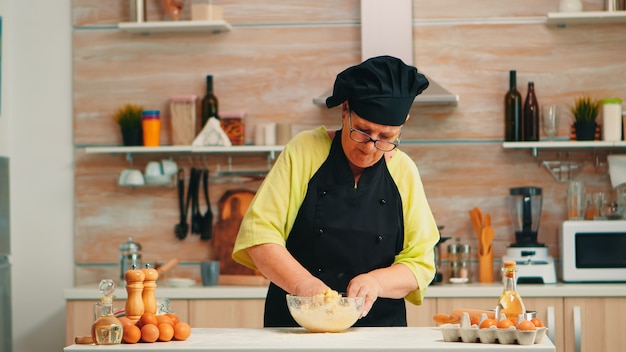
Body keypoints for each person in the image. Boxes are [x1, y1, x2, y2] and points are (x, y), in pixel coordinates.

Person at [232, 55, 440, 327]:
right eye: (362, 132)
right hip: (297, 329)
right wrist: (304, 284)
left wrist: (375, 282)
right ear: (345, 111)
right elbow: (260, 236)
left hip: (379, 335)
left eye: (386, 138)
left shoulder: (404, 171)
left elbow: (420, 264)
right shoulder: (304, 151)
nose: (370, 147)